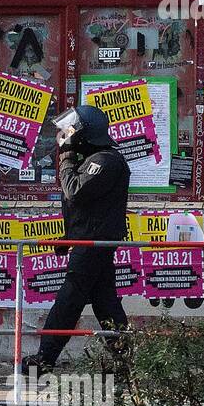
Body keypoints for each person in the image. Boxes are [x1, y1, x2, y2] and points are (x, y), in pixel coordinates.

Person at [22, 104, 130, 376]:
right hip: (89, 241)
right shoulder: (96, 160)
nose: (65, 136)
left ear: (85, 133)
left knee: (69, 299)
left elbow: (74, 192)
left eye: (70, 131)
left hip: (95, 244)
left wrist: (66, 157)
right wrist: (70, 238)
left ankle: (44, 359)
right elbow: (88, 210)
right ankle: (124, 362)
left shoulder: (105, 161)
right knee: (105, 302)